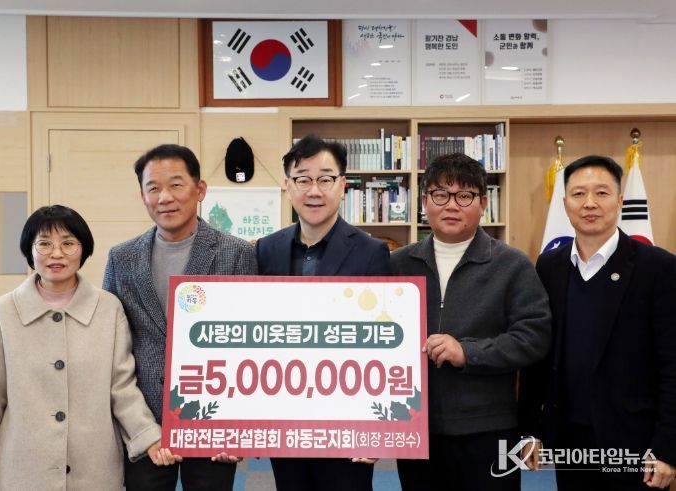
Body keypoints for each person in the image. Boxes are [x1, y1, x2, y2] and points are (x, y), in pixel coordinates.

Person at [0, 205, 179, 490]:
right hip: (23, 468)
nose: (56, 254)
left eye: (68, 243)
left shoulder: (108, 309)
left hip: (94, 467)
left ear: (83, 249)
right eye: (44, 244)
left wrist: (148, 435)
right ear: (29, 250)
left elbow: (122, 387)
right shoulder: (4, 312)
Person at [390, 153, 551, 491]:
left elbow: (534, 337)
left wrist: (468, 353)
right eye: (440, 194)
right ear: (424, 202)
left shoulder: (512, 265)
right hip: (415, 427)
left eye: (464, 195)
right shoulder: (396, 264)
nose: (451, 205)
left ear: (483, 203)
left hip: (488, 428)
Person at [103, 143, 258, 491]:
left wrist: (237, 427)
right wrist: (139, 426)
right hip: (144, 420)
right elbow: (110, 345)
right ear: (142, 196)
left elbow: (249, 343)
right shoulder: (121, 258)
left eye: (176, 185)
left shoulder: (236, 253)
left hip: (213, 420)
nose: (165, 198)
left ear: (199, 189)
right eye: (153, 188)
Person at [518, 155, 676, 490]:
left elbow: (672, 365)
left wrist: (667, 447)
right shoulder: (549, 265)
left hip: (636, 444)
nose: (589, 203)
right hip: (569, 439)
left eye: (601, 193)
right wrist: (530, 429)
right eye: (579, 194)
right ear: (565, 203)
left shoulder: (659, 268)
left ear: (620, 201)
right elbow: (538, 353)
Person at [255, 135, 391, 491]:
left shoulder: (372, 252)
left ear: (343, 186)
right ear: (288, 187)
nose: (314, 190)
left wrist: (378, 428)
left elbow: (384, 343)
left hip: (348, 419)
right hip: (285, 415)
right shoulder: (266, 250)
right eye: (303, 179)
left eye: (325, 179)